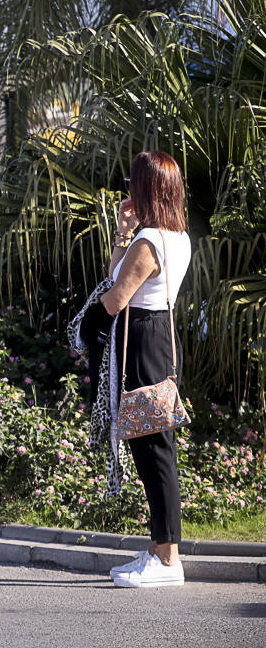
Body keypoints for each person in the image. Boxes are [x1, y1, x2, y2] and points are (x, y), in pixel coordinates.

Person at [100, 151, 192, 588]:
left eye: (134, 182)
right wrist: (123, 232)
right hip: (158, 337)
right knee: (150, 448)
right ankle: (158, 549)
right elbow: (117, 275)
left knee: (155, 451)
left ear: (148, 188)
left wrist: (86, 326)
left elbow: (116, 296)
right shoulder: (174, 236)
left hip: (142, 339)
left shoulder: (150, 241)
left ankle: (169, 559)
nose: (129, 190)